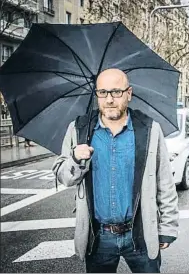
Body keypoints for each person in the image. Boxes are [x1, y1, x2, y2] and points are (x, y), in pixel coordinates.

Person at [52, 68, 179, 273]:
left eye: (116, 92)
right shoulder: (79, 129)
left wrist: (168, 227)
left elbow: (164, 181)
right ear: (96, 95)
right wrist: (76, 158)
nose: (109, 99)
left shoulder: (148, 129)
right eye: (102, 92)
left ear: (128, 93)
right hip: (98, 237)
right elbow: (63, 176)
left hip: (140, 233)